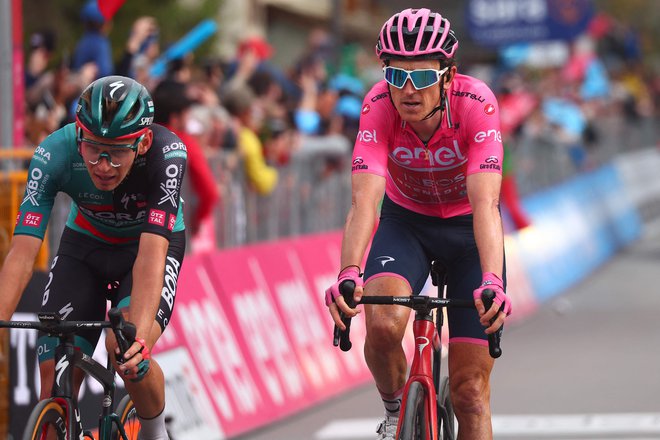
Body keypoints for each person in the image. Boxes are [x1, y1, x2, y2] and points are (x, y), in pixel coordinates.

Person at [324, 8, 512, 439]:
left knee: (470, 394)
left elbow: (486, 203)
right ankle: (395, 414)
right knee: (385, 323)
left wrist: (492, 280)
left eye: (423, 77)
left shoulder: (477, 104)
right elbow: (365, 202)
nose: (408, 90)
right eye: (397, 76)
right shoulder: (377, 106)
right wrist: (349, 272)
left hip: (467, 230)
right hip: (406, 223)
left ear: (448, 76)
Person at [0, 75, 186, 440]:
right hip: (84, 246)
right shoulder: (54, 153)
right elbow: (22, 252)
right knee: (54, 377)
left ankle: (153, 433)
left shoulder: (167, 154)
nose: (103, 164)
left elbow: (151, 256)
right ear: (78, 135)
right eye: (94, 148)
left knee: (126, 351)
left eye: (116, 151)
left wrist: (140, 341)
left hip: (145, 249)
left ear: (143, 142)